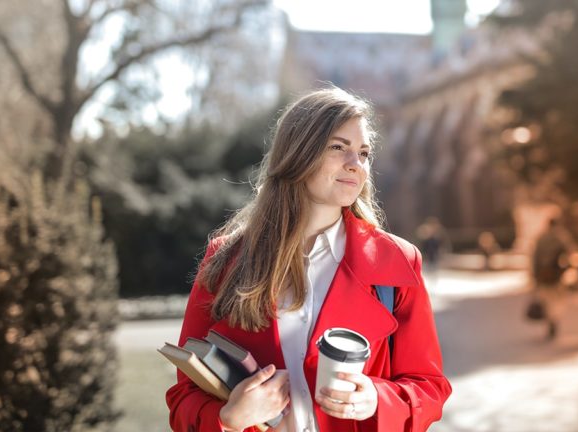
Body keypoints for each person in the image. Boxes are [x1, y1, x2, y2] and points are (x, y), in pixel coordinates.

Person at [166, 88, 451, 432]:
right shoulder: (225, 260)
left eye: (364, 152)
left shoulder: (398, 262)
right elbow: (184, 396)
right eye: (338, 147)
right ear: (298, 154)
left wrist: (376, 399)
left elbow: (429, 387)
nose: (356, 164)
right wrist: (229, 420)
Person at [531, 217, 570, 340]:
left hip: (543, 275)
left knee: (546, 300)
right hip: (556, 275)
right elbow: (568, 256)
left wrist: (535, 274)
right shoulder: (561, 238)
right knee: (556, 300)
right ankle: (554, 320)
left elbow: (535, 258)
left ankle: (550, 321)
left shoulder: (541, 239)